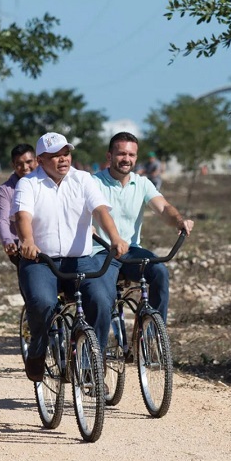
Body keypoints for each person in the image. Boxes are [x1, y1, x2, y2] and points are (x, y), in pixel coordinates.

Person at [13, 132, 128, 382]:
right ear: (41, 159)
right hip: (41, 262)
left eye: (66, 153)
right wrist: (28, 242)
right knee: (42, 303)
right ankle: (38, 350)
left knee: (101, 298)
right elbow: (23, 216)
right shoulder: (28, 183)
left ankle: (90, 361)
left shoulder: (83, 179)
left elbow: (100, 210)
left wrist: (115, 237)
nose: (63, 159)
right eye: (55, 155)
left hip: (80, 260)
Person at [93, 132, 193, 322]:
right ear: (109, 156)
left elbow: (163, 207)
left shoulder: (142, 183)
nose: (126, 159)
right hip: (100, 251)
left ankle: (154, 331)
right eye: (121, 154)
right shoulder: (93, 182)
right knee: (101, 297)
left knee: (159, 272)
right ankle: (98, 347)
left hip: (131, 251)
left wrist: (179, 221)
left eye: (131, 155)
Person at [0, 143, 37, 266]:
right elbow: (2, 219)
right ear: (13, 165)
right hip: (21, 245)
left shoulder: (46, 182)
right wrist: (7, 241)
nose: (25, 167)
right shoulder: (6, 189)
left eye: (29, 162)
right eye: (19, 164)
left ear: (37, 161)